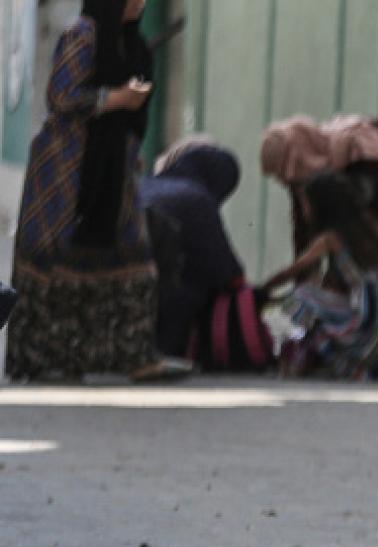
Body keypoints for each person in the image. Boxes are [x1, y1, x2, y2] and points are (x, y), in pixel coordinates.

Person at [5, 0, 190, 382]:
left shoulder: (128, 42)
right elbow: (61, 97)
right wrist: (116, 98)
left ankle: (133, 356)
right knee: (54, 259)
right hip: (65, 173)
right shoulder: (82, 35)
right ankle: (50, 361)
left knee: (132, 258)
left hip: (113, 170)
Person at [260, 115, 378, 351]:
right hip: (370, 202)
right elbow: (303, 232)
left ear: (296, 157)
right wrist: (302, 284)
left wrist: (359, 220)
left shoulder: (352, 145)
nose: (287, 181)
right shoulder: (303, 174)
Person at [259, 172, 378, 380]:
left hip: (372, 322)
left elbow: (294, 271)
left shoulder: (330, 238)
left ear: (321, 206)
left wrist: (260, 291)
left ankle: (309, 357)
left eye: (306, 203)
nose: (304, 210)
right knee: (317, 295)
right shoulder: (368, 230)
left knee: (302, 297)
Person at [140, 143, 245, 357]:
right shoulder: (197, 198)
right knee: (196, 285)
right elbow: (225, 268)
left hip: (117, 274)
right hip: (161, 293)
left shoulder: (144, 184)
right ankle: (167, 352)